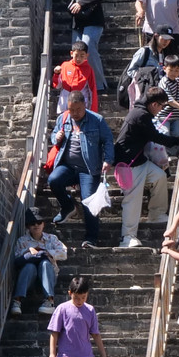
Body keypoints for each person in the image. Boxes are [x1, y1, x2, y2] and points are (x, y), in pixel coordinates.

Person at [113, 87, 179, 248]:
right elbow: (155, 136)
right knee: (132, 200)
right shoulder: (141, 115)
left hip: (140, 162)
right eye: (162, 106)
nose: (161, 110)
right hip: (129, 165)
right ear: (155, 104)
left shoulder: (140, 112)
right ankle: (127, 237)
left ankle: (156, 213)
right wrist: (177, 140)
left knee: (159, 176)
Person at [48, 93, 115, 247]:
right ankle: (68, 206)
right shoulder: (63, 119)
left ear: (85, 105)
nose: (75, 113)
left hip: (89, 169)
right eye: (72, 110)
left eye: (78, 109)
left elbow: (108, 141)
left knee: (88, 201)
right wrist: (56, 137)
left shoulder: (97, 120)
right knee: (53, 180)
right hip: (68, 166)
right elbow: (53, 135)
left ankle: (91, 238)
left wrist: (108, 160)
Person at [61, 0, 108, 94]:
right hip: (78, 20)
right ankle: (80, 84)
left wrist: (81, 3)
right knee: (77, 52)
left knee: (89, 49)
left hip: (93, 18)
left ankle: (99, 85)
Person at [14, 214, 69, 314]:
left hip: (48, 276)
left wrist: (48, 253)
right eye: (32, 223)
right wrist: (28, 254)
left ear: (43, 224)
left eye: (39, 222)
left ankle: (49, 300)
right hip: (29, 278)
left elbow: (64, 253)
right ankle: (17, 300)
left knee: (45, 263)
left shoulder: (52, 238)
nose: (36, 225)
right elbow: (16, 259)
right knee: (29, 266)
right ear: (28, 226)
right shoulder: (22, 241)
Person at [53, 39, 99, 114]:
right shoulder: (65, 65)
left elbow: (92, 90)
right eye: (76, 55)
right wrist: (56, 74)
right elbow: (57, 86)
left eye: (82, 56)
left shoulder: (89, 69)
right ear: (71, 53)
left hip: (81, 107)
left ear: (87, 56)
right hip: (65, 105)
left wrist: (93, 111)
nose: (78, 59)